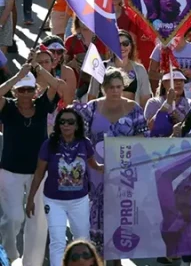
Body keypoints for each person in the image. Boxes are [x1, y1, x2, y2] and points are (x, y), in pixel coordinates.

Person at [78, 68, 148, 255]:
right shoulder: (91, 108)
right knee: (96, 215)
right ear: (103, 88)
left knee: (120, 217)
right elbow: (81, 138)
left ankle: (117, 257)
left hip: (125, 173)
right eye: (111, 87)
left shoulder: (134, 109)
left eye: (119, 87)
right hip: (95, 171)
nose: (115, 91)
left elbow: (143, 139)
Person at [0, 63, 61, 266]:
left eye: (29, 89)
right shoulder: (7, 107)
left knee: (38, 220)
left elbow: (57, 86)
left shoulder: (42, 106)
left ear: (35, 91)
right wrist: (18, 76)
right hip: (10, 171)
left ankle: (31, 264)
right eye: (21, 90)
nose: (25, 94)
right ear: (16, 91)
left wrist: (39, 69)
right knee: (14, 217)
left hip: (39, 172)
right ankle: (10, 254)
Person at [26, 107, 102, 264]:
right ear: (58, 125)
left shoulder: (84, 144)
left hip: (79, 201)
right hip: (54, 202)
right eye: (62, 122)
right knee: (57, 241)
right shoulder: (49, 145)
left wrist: (114, 165)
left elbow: (94, 165)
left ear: (77, 125)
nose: (66, 125)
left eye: (70, 122)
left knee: (83, 241)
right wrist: (30, 199)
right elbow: (39, 173)